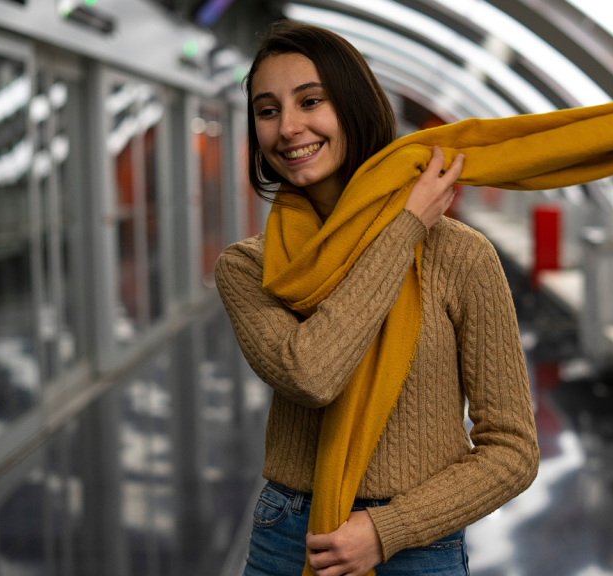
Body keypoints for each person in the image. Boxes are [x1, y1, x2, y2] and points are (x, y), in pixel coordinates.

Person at [216, 20, 539, 576]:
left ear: (356, 107)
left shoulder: (462, 257)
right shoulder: (248, 267)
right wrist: (404, 229)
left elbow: (514, 450)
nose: (288, 128)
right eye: (267, 111)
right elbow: (312, 373)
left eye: (310, 101)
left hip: (420, 545)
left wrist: (390, 530)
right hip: (290, 534)